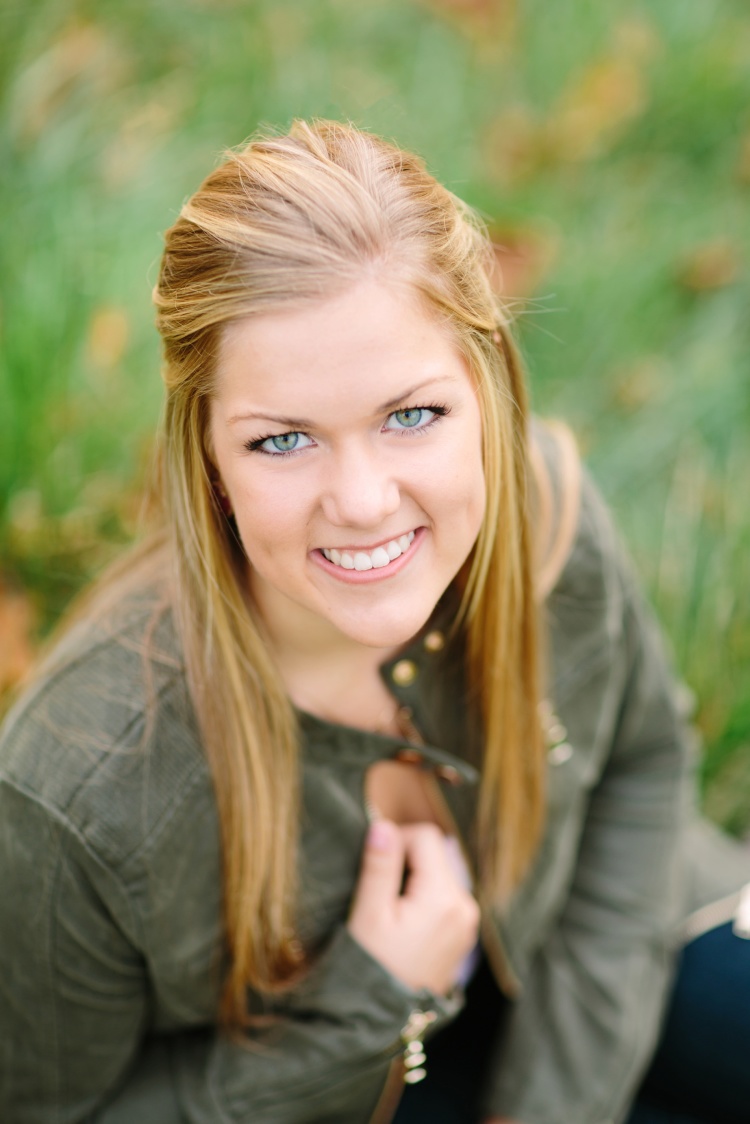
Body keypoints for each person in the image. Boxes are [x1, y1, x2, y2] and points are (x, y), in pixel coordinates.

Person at [0, 119, 748, 1124]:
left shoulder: (547, 516)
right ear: (210, 461)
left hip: (608, 938)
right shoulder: (79, 788)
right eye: (282, 439)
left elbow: (641, 769)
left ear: (485, 387)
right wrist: (363, 1003)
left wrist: (554, 1105)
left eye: (411, 415)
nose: (361, 499)